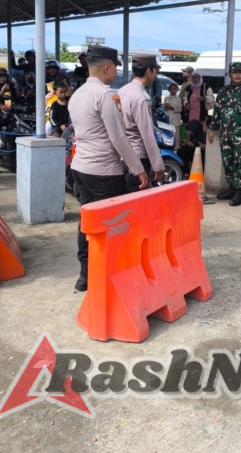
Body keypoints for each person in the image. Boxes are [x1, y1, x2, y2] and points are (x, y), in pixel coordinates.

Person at [68, 45, 148, 292]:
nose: (116, 72)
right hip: (104, 172)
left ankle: (85, 276)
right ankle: (108, 277)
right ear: (107, 67)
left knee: (87, 222)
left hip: (81, 168)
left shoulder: (77, 94)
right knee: (112, 227)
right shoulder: (106, 95)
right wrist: (138, 169)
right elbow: (119, 138)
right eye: (115, 67)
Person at [208, 62, 241, 207]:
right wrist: (212, 129)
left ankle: (239, 192)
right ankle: (231, 188)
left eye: (240, 72)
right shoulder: (223, 92)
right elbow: (217, 112)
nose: (237, 75)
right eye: (234, 72)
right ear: (230, 74)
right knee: (228, 162)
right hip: (225, 135)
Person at [118, 54, 165, 190]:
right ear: (149, 71)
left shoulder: (122, 91)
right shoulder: (141, 97)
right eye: (155, 71)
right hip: (138, 157)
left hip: (121, 156)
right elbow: (147, 134)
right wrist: (158, 166)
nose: (156, 75)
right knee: (136, 203)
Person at [162, 83, 183, 149]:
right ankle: (168, 147)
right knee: (168, 135)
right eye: (171, 89)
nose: (173, 90)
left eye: (174, 89)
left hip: (175, 119)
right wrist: (165, 107)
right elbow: (163, 107)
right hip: (168, 118)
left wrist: (172, 108)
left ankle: (176, 149)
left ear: (177, 90)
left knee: (176, 135)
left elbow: (180, 109)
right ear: (169, 90)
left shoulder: (178, 99)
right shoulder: (166, 98)